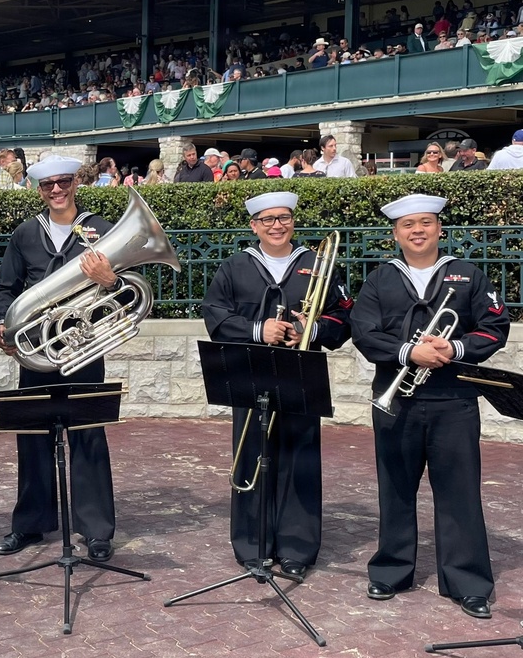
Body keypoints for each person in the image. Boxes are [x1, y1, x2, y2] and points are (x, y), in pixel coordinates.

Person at [350, 193, 509, 618]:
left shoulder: (467, 273)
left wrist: (455, 346)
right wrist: (408, 353)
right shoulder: (379, 279)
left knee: (459, 492)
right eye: (407, 225)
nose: (417, 230)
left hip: (453, 400)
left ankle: (467, 582)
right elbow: (363, 333)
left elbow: (496, 327)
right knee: (395, 488)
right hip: (395, 399)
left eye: (425, 223)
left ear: (439, 228)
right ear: (396, 234)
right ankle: (391, 571)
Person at [202, 191, 351, 576]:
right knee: (253, 453)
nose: (276, 225)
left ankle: (297, 550)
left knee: (300, 458)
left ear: (293, 221)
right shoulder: (235, 266)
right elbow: (215, 315)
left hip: (302, 373)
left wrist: (310, 327)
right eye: (267, 220)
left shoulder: (316, 264)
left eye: (283, 217)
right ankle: (253, 546)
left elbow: (344, 318)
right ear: (254, 226)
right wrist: (258, 329)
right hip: (251, 372)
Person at [0, 154, 120, 562]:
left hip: (85, 349)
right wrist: (4, 323)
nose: (57, 190)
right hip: (36, 353)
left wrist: (111, 280)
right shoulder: (26, 233)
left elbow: (131, 284)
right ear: (39, 190)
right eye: (48, 185)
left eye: (64, 182)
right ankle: (31, 524)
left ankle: (96, 529)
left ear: (75, 183)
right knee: (32, 437)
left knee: (89, 436)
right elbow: (3, 288)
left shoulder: (100, 229)